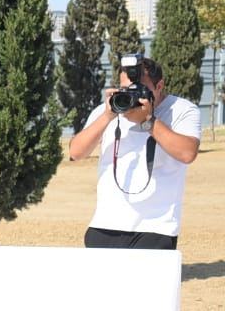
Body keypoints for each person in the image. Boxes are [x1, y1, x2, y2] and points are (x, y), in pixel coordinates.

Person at [69, 53, 200, 250]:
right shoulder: (110, 109)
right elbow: (75, 152)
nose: (134, 95)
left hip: (156, 227)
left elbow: (187, 153)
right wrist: (107, 116)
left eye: (141, 89)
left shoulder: (182, 110)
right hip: (105, 225)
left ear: (159, 86)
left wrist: (148, 122)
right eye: (127, 89)